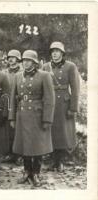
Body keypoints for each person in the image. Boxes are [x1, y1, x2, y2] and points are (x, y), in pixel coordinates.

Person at [9, 50, 55, 187]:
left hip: (37, 116)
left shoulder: (44, 76)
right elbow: (12, 98)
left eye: (28, 60)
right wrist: (12, 117)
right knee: (25, 146)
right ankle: (26, 171)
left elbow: (49, 99)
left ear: (35, 63)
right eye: (24, 60)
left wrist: (47, 119)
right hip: (22, 115)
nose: (25, 63)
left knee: (38, 146)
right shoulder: (17, 76)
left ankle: (36, 172)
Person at [42, 41, 80, 172]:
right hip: (50, 102)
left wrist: (73, 108)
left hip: (64, 103)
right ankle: (53, 159)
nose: (55, 54)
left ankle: (60, 161)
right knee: (50, 130)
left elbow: (75, 89)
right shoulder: (46, 67)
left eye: (57, 51)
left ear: (62, 53)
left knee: (63, 133)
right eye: (52, 52)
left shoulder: (70, 67)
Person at [3, 49, 23, 164]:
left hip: (19, 102)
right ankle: (10, 153)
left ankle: (19, 154)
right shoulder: (4, 73)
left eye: (13, 57)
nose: (11, 59)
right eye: (9, 57)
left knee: (19, 128)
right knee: (8, 129)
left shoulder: (23, 72)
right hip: (7, 102)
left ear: (18, 59)